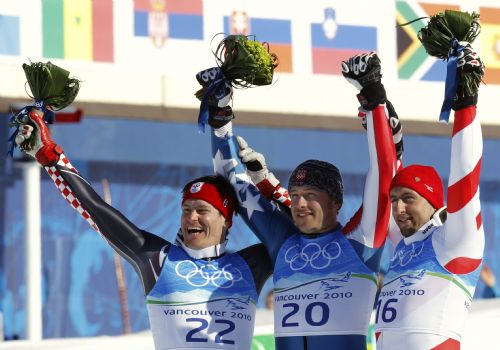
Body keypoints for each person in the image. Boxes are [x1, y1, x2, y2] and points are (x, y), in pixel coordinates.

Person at [15, 110, 272, 350]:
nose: (191, 217)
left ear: (226, 219)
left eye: (202, 210)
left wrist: (266, 184)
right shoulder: (158, 259)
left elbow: (299, 232)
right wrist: (49, 155)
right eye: (186, 210)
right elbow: (95, 210)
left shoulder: (250, 265)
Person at [204, 52, 398, 349]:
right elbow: (230, 180)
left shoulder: (361, 240)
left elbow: (385, 173)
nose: (300, 203)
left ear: (336, 203)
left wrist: (372, 92)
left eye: (311, 196)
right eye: (294, 196)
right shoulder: (284, 242)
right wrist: (220, 118)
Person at [375, 44, 485, 349]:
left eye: (408, 199)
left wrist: (466, 104)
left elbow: (466, 177)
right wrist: (379, 119)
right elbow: (388, 178)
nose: (398, 209)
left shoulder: (453, 241)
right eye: (395, 199)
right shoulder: (405, 244)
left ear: (433, 202)